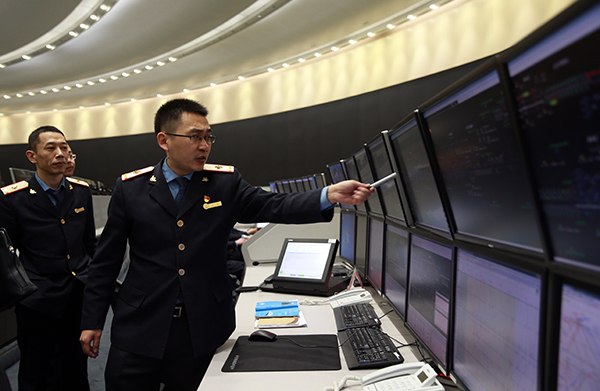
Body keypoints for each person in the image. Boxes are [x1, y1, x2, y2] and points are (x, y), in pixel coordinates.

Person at [79, 98, 372, 391]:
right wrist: (92, 320)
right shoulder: (131, 188)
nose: (204, 145)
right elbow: (106, 261)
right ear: (164, 140)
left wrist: (328, 194)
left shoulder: (224, 183)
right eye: (195, 137)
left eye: (208, 137)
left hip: (202, 326)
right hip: (141, 326)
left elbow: (274, 204)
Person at [0, 126, 97, 391]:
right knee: (37, 369)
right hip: (38, 299)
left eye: (64, 147)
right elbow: (7, 254)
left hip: (77, 294)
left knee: (76, 365)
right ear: (32, 156)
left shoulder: (81, 191)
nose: (60, 154)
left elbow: (89, 243)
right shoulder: (12, 197)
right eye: (51, 148)